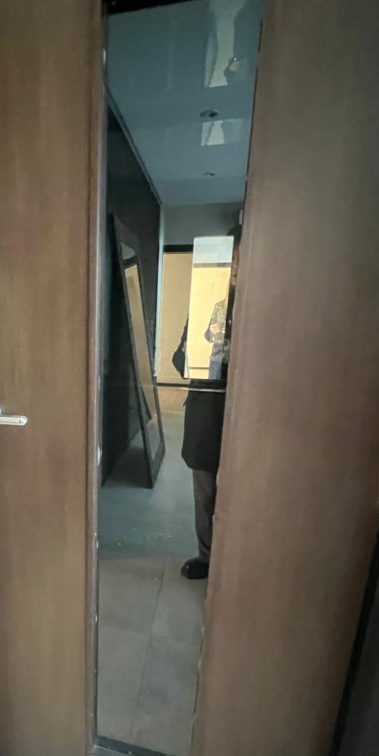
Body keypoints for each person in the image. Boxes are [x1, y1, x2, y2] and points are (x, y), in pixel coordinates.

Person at [173, 227, 240, 579]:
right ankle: (208, 557)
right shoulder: (207, 306)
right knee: (205, 493)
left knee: (243, 494)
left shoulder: (269, 305)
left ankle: (236, 562)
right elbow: (179, 360)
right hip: (206, 411)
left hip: (247, 416)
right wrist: (192, 355)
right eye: (232, 260)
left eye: (241, 261)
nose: (236, 269)